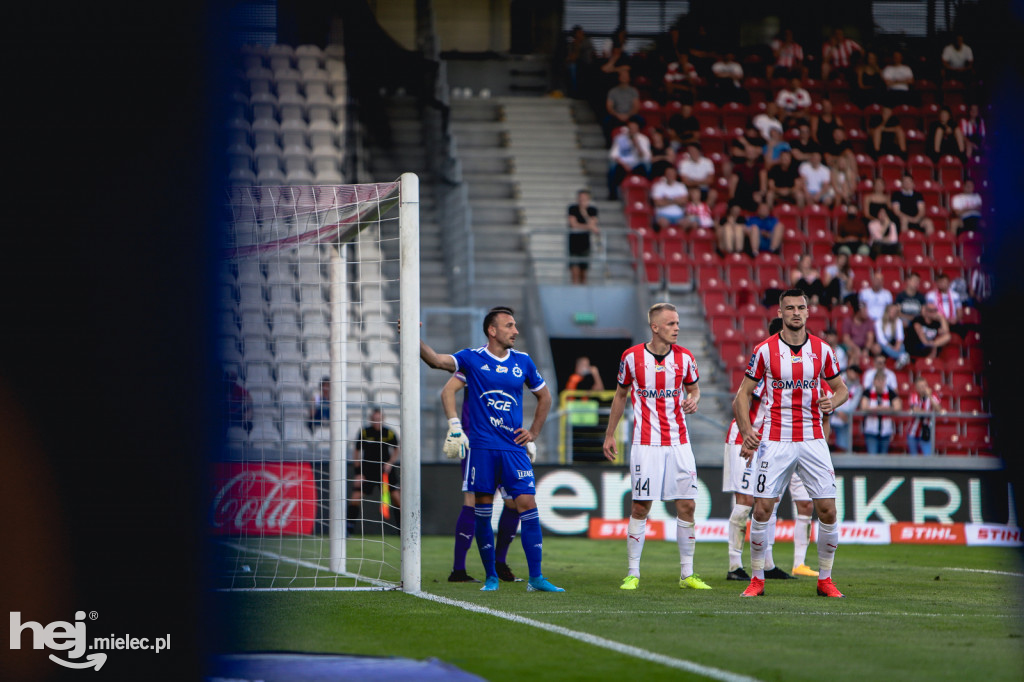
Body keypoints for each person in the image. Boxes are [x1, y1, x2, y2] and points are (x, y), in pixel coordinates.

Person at [418, 306, 562, 592]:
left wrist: (533, 432)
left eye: (515, 325)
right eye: (509, 325)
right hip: (482, 449)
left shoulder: (523, 361)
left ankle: (536, 578)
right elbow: (435, 361)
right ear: (492, 330)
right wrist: (414, 336)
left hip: (513, 449)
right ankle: (491, 577)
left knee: (527, 505)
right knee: (482, 510)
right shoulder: (471, 359)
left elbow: (545, 396)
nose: (516, 331)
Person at [733, 289, 849, 598]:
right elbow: (741, 396)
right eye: (790, 308)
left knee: (827, 510)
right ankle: (757, 578)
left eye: (801, 307)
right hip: (776, 439)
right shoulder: (764, 351)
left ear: (808, 312)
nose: (796, 312)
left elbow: (842, 389)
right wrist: (747, 432)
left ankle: (825, 579)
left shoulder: (823, 350)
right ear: (781, 313)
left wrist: (832, 402)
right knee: (762, 509)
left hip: (813, 439)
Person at [602, 302, 711, 591]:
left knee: (687, 505)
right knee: (641, 506)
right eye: (671, 323)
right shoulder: (632, 357)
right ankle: (633, 573)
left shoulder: (685, 358)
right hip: (645, 443)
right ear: (655, 327)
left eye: (677, 323)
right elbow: (620, 395)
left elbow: (694, 388)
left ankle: (687, 574)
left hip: (679, 441)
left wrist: (694, 399)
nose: (677, 328)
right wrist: (610, 434)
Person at [724, 317, 818, 582]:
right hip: (746, 439)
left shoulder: (793, 370)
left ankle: (767, 563)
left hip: (771, 442)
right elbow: (741, 401)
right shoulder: (765, 366)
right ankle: (734, 566)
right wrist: (747, 436)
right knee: (744, 504)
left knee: (770, 502)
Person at [442, 374, 523, 583]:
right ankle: (458, 570)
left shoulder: (514, 364)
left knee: (514, 502)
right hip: (477, 441)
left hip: (506, 441)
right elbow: (448, 389)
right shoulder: (473, 361)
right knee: (473, 500)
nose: (513, 338)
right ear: (492, 337)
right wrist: (455, 426)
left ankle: (499, 563)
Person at [350, 406, 401, 521]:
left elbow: (397, 449)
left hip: (385, 470)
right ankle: (349, 528)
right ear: (370, 419)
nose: (377, 421)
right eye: (375, 419)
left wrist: (390, 463)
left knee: (396, 498)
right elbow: (356, 451)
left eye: (379, 419)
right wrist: (358, 472)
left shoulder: (389, 433)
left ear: (383, 419)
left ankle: (401, 529)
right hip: (368, 469)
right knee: (356, 496)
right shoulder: (364, 432)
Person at [607, 117, 651, 200]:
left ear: (638, 129)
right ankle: (613, 194)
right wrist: (624, 164)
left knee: (648, 165)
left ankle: (648, 193)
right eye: (630, 128)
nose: (632, 130)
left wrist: (636, 144)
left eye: (634, 128)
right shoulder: (620, 138)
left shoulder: (644, 139)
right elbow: (613, 155)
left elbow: (645, 157)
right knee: (612, 165)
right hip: (623, 164)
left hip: (637, 164)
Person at [859, 371, 901, 454]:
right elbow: (863, 406)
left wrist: (884, 409)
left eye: (882, 381)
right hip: (871, 430)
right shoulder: (868, 392)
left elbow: (897, 407)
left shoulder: (890, 392)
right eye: (878, 381)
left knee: (883, 457)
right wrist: (880, 408)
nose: (880, 383)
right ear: (874, 381)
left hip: (886, 430)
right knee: (872, 455)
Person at [567, 189, 600, 284]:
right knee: (574, 272)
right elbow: (573, 225)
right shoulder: (572, 208)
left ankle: (582, 292)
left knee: (583, 273)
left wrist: (584, 213)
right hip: (573, 244)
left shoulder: (592, 210)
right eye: (580, 198)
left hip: (585, 245)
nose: (582, 201)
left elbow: (593, 222)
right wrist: (588, 227)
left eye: (584, 199)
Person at [830, 364, 863, 453]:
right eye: (853, 372)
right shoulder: (837, 381)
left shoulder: (858, 387)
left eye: (857, 373)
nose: (855, 375)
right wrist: (837, 412)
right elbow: (829, 396)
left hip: (845, 418)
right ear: (848, 371)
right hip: (831, 415)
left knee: (842, 447)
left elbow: (853, 405)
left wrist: (842, 413)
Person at [603, 68, 641, 144]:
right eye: (622, 76)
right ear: (619, 78)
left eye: (626, 76)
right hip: (616, 115)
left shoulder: (633, 91)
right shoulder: (613, 91)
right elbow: (609, 107)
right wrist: (618, 115)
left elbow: (636, 106)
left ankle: (637, 142)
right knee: (606, 121)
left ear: (629, 78)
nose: (624, 78)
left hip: (630, 115)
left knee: (641, 121)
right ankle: (610, 144)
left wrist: (628, 115)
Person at [651, 166, 688, 231]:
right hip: (662, 215)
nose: (670, 176)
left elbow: (684, 202)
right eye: (668, 174)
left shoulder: (681, 186)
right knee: (663, 223)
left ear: (675, 175)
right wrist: (676, 200)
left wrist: (667, 199)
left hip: (679, 216)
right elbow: (658, 203)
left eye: (672, 174)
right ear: (665, 175)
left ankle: (681, 241)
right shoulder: (658, 186)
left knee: (686, 223)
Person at [872, 303, 910, 367]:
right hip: (883, 343)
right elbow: (881, 339)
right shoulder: (879, 322)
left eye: (895, 312)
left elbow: (900, 337)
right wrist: (891, 347)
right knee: (883, 346)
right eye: (892, 311)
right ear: (887, 312)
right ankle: (901, 356)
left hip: (892, 341)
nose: (894, 313)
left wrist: (897, 346)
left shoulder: (898, 321)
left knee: (901, 345)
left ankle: (901, 358)